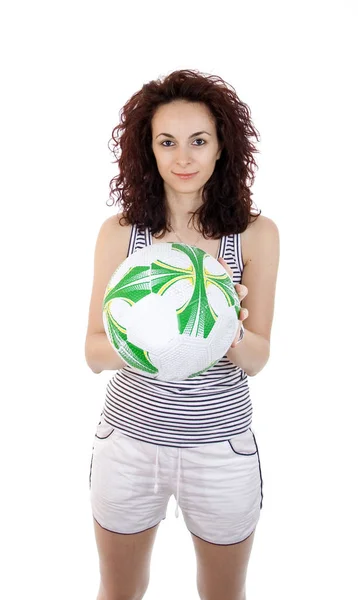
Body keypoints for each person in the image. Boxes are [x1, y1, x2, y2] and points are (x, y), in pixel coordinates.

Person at [85, 68, 280, 600]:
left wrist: (223, 328)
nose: (183, 158)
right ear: (148, 151)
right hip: (128, 442)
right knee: (119, 591)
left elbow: (258, 357)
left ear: (222, 148)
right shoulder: (122, 234)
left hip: (221, 449)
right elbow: (94, 351)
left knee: (223, 594)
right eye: (166, 142)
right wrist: (154, 339)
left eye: (199, 141)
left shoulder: (256, 235)